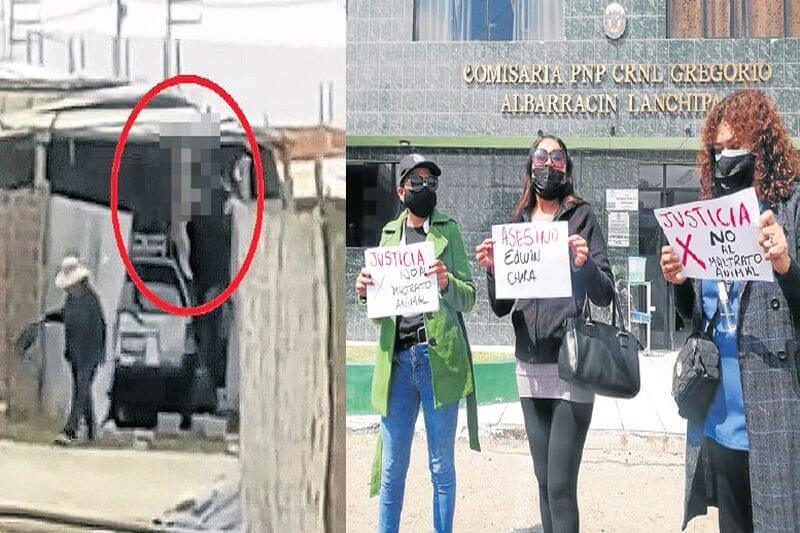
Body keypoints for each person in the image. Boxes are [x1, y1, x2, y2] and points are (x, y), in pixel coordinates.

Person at [659, 89, 800, 532]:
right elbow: (696, 317)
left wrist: (786, 265)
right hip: (720, 418)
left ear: (763, 148)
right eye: (718, 150)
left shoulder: (790, 209)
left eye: (736, 147)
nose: (725, 159)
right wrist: (679, 283)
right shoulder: (706, 218)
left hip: (776, 415)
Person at [476, 135, 614, 533]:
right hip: (529, 368)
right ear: (530, 166)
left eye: (556, 158)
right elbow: (502, 307)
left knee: (560, 488)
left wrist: (583, 264)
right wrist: (493, 272)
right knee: (541, 480)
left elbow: (604, 292)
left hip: (571, 366)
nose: (548, 164)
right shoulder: (517, 223)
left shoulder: (582, 217)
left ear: (566, 169)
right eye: (541, 156)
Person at [354, 153, 479, 533]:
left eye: (431, 182)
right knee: (393, 469)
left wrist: (446, 283)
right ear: (401, 189)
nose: (425, 188)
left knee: (441, 467)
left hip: (437, 359)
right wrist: (364, 293)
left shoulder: (449, 232)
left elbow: (470, 298)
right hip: (397, 364)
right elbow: (380, 316)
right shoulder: (388, 236)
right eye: (417, 182)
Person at [46, 256, 107, 445]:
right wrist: (50, 317)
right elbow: (66, 316)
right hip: (75, 353)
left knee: (80, 390)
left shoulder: (90, 301)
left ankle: (70, 430)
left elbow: (100, 327)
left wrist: (99, 353)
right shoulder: (72, 300)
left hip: (88, 354)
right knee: (83, 390)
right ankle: (91, 428)